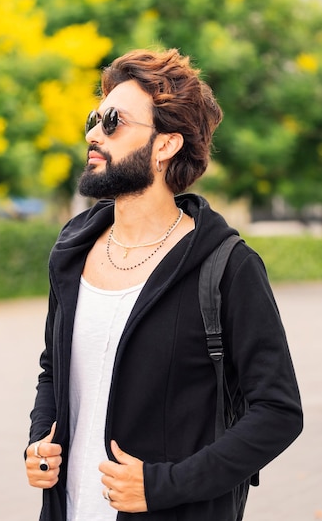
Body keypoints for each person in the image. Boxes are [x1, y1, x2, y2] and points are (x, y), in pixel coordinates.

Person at [25, 48, 303, 521]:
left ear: (165, 145)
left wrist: (166, 485)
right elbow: (54, 368)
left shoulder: (227, 266)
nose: (94, 133)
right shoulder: (72, 251)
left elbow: (278, 412)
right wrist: (39, 441)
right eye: (94, 118)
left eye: (113, 121)